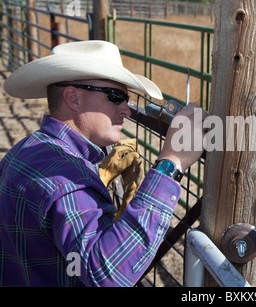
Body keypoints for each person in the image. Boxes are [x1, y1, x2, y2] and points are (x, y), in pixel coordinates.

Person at [0, 40, 206, 286]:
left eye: (126, 99)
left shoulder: (24, 151)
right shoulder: (67, 177)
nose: (126, 111)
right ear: (73, 98)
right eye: (116, 96)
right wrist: (171, 162)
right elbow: (106, 275)